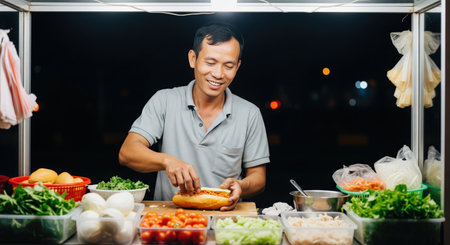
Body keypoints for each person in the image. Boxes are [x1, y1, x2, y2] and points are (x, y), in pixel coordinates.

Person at [119, 23, 270, 211]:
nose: (218, 74)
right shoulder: (164, 100)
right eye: (210, 62)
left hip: (225, 220)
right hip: (169, 218)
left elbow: (258, 178)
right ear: (193, 59)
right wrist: (167, 161)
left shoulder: (250, 113)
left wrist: (242, 186)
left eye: (228, 66)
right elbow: (127, 152)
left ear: (238, 66)